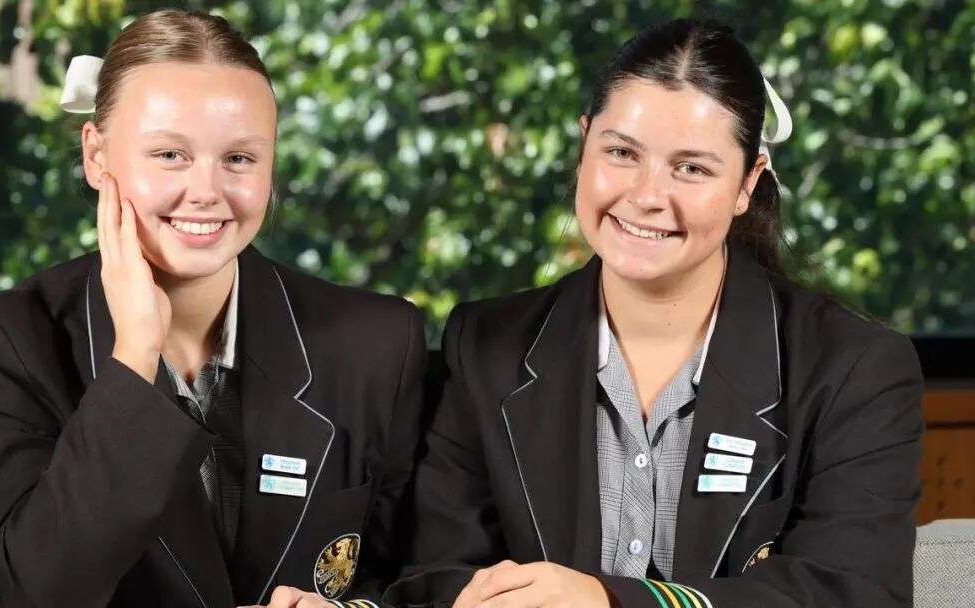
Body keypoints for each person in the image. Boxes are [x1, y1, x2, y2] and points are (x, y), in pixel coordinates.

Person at [386, 18, 924, 608]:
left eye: (691, 168)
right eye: (621, 152)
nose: (646, 197)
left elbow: (852, 594)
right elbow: (433, 579)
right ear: (583, 143)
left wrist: (610, 601)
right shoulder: (485, 346)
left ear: (749, 183)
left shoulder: (854, 367)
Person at [0, 10, 423, 608]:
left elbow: (419, 575)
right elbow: (41, 592)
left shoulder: (378, 341)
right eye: (170, 154)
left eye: (240, 159)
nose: (206, 191)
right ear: (96, 155)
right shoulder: (7, 339)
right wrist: (135, 355)